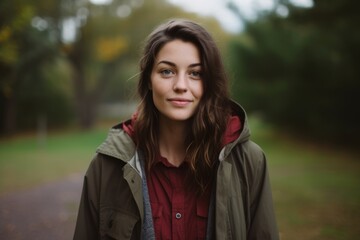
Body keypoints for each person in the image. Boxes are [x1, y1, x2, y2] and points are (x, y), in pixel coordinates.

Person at [73, 19, 279, 240]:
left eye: (195, 73)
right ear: (149, 80)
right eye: (167, 71)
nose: (181, 85)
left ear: (209, 83)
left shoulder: (249, 161)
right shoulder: (107, 166)